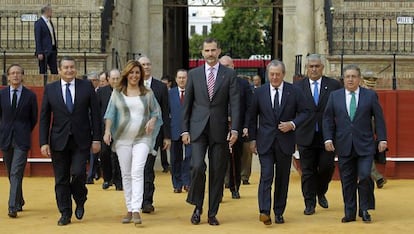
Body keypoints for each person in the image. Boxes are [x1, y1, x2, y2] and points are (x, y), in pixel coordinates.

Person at [182, 38, 240, 226]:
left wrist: (236, 129)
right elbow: (187, 104)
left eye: (213, 50)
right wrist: (184, 130)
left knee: (217, 171)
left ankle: (212, 212)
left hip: (220, 129)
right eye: (207, 50)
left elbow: (235, 104)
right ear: (202, 52)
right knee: (197, 166)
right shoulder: (194, 74)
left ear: (219, 51)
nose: (210, 54)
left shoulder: (229, 75)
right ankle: (197, 206)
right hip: (198, 129)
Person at [39, 56, 101, 226]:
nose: (69, 70)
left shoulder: (86, 86)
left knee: (79, 173)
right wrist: (43, 142)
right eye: (65, 67)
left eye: (72, 67)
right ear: (59, 70)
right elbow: (44, 117)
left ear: (76, 69)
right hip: (58, 140)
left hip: (81, 140)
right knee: (61, 179)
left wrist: (97, 139)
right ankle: (65, 212)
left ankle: (80, 199)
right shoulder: (50, 89)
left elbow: (95, 115)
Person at [323, 64, 387, 223]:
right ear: (343, 79)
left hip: (365, 144)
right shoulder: (334, 96)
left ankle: (364, 209)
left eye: (354, 76)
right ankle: (350, 212)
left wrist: (382, 138)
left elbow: (379, 118)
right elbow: (328, 119)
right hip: (344, 144)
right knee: (347, 180)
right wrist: (328, 138)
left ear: (359, 79)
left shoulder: (370, 95)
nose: (350, 79)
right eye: (348, 77)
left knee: (365, 176)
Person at [249, 60, 309, 225]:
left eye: (278, 74)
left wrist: (292, 124)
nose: (274, 77)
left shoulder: (294, 91)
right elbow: (252, 117)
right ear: (268, 75)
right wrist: (252, 140)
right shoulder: (259, 92)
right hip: (265, 142)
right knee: (266, 175)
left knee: (282, 179)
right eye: (272, 74)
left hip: (285, 142)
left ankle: (279, 211)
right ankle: (264, 211)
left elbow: (306, 112)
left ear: (283, 74)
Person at [103, 60, 162, 226]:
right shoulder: (117, 92)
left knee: (137, 171)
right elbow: (110, 114)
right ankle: (129, 208)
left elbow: (156, 111)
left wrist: (152, 120)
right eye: (132, 72)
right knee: (126, 173)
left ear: (141, 75)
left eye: (137, 72)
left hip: (142, 137)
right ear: (126, 74)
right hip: (122, 138)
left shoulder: (147, 92)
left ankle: (136, 209)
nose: (134, 76)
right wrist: (107, 131)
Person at [294, 54, 342, 215]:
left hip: (327, 136)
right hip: (305, 134)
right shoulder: (297, 87)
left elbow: (340, 109)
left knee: (327, 167)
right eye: (311, 66)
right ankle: (309, 203)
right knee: (307, 170)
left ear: (323, 67)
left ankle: (321, 191)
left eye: (317, 66)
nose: (314, 69)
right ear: (306, 68)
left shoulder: (334, 85)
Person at [0, 64, 38, 218]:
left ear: (23, 76)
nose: (15, 76)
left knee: (16, 171)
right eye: (12, 73)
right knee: (11, 172)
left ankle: (12, 206)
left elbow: (33, 118)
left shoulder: (30, 95)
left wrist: (24, 130)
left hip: (22, 138)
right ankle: (19, 199)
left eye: (18, 73)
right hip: (6, 137)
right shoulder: (1, 95)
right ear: (8, 77)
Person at [137, 56, 171, 213]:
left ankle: (147, 201)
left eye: (148, 64)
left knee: (148, 166)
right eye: (143, 64)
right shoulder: (130, 85)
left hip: (154, 134)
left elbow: (165, 112)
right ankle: (135, 199)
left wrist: (167, 136)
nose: (146, 67)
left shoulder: (160, 87)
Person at [219, 55, 252, 199]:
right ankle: (218, 191)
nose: (226, 69)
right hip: (219, 126)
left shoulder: (243, 84)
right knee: (218, 159)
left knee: (236, 158)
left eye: (228, 66)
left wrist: (246, 126)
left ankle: (234, 187)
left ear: (233, 67)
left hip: (237, 127)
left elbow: (249, 107)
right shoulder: (214, 83)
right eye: (223, 66)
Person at [97, 69, 123, 190]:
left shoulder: (125, 91)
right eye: (113, 79)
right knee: (104, 153)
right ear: (108, 80)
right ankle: (107, 178)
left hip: (121, 130)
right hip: (105, 130)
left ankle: (119, 181)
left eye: (118, 78)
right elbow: (97, 111)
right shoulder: (101, 92)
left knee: (119, 156)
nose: (116, 81)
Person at [169, 69, 191, 193]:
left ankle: (187, 182)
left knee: (189, 157)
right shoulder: (170, 93)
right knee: (175, 159)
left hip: (190, 131)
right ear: (176, 79)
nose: (182, 80)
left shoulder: (193, 93)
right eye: (180, 77)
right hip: (174, 131)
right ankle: (177, 184)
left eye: (184, 77)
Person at [86, 72, 101, 184]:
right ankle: (95, 171)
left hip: (98, 126)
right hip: (85, 127)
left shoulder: (101, 92)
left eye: (94, 80)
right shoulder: (84, 92)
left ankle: (90, 175)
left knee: (94, 153)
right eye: (90, 80)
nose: (92, 83)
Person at [34, 4, 58, 74]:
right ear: (46, 11)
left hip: (52, 49)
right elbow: (38, 38)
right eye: (50, 11)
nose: (51, 12)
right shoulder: (39, 23)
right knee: (43, 71)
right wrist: (39, 52)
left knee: (54, 70)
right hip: (44, 51)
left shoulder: (49, 22)